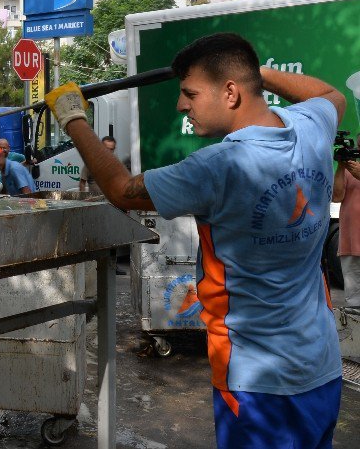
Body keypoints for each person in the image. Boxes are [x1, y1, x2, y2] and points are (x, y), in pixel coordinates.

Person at [45, 32, 345, 449]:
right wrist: (257, 73)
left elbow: (119, 189)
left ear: (230, 92)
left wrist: (73, 117)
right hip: (322, 368)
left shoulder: (218, 166)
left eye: (189, 93)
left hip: (255, 381)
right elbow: (332, 94)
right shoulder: (311, 128)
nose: (181, 105)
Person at [334, 158, 360, 308]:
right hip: (351, 243)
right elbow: (336, 197)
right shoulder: (350, 170)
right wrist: (340, 168)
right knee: (354, 301)